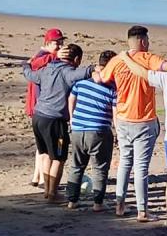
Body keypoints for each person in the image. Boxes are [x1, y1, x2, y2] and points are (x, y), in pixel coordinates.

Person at [99, 25, 167, 222]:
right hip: (143, 119)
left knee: (125, 162)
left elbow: (103, 78)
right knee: (140, 166)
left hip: (122, 117)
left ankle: (120, 204)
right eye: (147, 40)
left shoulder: (117, 60)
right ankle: (142, 210)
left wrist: (97, 71)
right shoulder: (148, 58)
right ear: (142, 41)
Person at [22, 43, 96, 203]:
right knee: (59, 158)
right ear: (76, 59)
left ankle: (48, 192)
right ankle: (53, 193)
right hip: (54, 122)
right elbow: (89, 71)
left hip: (38, 118)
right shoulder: (69, 72)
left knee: (47, 154)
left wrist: (26, 64)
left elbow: (29, 74)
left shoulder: (47, 69)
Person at [65, 50, 118, 212]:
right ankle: (98, 203)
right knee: (100, 168)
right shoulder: (112, 87)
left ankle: (72, 201)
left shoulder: (82, 81)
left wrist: (72, 118)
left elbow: (71, 97)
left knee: (76, 165)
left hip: (78, 129)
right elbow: (115, 112)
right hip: (99, 131)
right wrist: (116, 131)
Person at [25, 28, 64, 188]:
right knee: (47, 148)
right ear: (47, 43)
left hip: (39, 106)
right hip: (41, 106)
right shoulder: (42, 57)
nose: (60, 46)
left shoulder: (44, 57)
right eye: (57, 43)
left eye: (62, 42)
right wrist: (55, 56)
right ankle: (43, 179)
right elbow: (34, 64)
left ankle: (37, 176)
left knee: (40, 145)